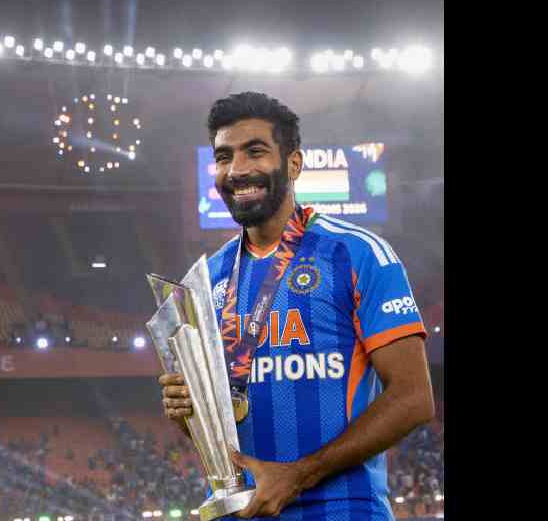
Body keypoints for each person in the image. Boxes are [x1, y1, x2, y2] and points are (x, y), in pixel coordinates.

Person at [158, 92, 435, 520]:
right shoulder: (208, 278)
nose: (237, 170)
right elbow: (222, 420)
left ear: (293, 163)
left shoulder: (357, 253)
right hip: (247, 511)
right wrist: (189, 413)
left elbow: (414, 397)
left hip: (344, 510)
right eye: (224, 156)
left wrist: (299, 475)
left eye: (255, 152)